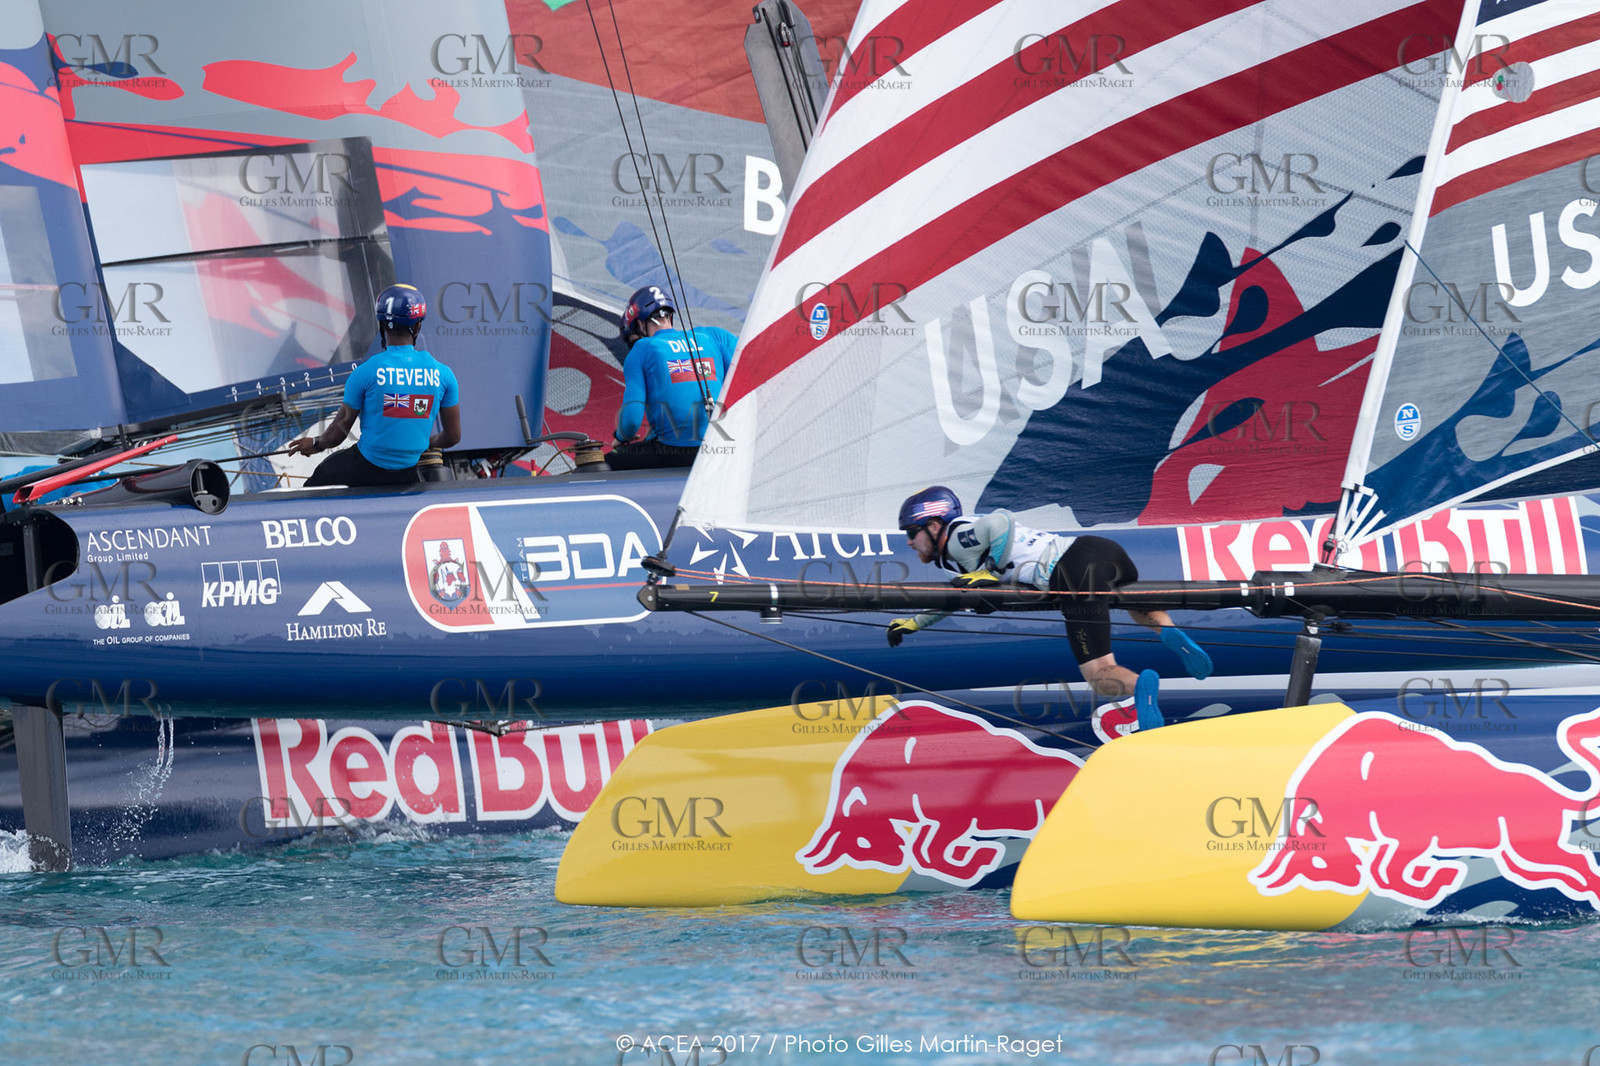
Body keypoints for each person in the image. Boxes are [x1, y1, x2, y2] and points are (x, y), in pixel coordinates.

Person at [887, 486, 1213, 738]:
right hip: (1100, 549)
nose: (909, 542)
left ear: (932, 526)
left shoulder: (957, 539)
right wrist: (914, 623)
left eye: (911, 533)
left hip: (1070, 572)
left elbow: (1001, 519)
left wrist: (990, 569)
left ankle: (1141, 685)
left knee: (1099, 675)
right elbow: (956, 596)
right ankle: (1168, 631)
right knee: (1135, 604)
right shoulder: (953, 557)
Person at [290, 283, 461, 487]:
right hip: (407, 476)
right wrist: (427, 444)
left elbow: (336, 436)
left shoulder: (365, 372)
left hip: (363, 469)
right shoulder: (444, 375)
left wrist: (315, 444)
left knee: (315, 484)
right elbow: (452, 437)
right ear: (417, 326)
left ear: (381, 325)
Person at [608, 284, 737, 470]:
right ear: (670, 316)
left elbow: (631, 420)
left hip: (675, 453)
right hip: (723, 449)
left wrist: (621, 438)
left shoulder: (642, 348)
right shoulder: (715, 336)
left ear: (640, 324)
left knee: (605, 464)